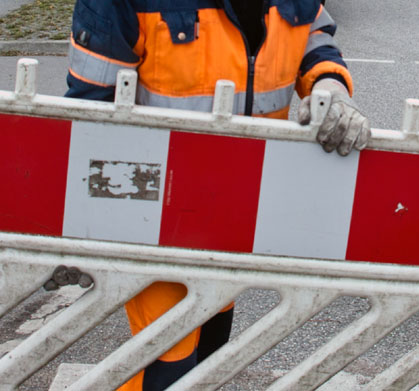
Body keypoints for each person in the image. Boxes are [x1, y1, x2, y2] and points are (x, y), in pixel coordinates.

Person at [66, 0, 370, 389]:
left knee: (211, 349)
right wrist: (78, 232)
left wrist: (330, 84)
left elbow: (312, 33)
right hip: (158, 221)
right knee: (167, 366)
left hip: (234, 218)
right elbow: (89, 115)